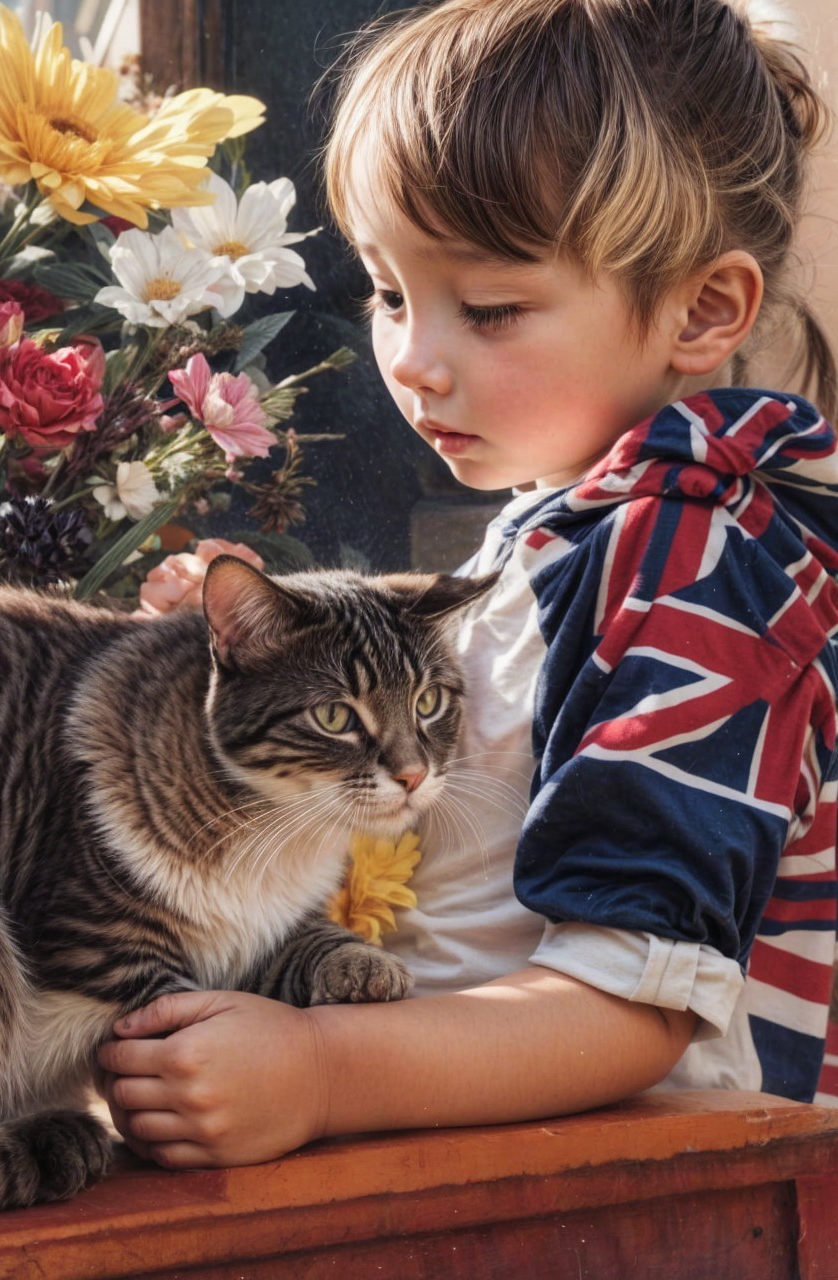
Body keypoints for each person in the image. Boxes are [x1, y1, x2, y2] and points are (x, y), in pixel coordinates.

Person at [97, 0, 838, 1168]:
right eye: (390, 293)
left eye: (488, 307)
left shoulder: (698, 576)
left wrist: (318, 1069)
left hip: (643, 1197)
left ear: (703, 310)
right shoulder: (564, 529)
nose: (412, 357)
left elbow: (631, 1005)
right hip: (497, 1164)